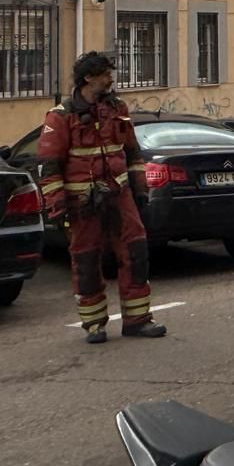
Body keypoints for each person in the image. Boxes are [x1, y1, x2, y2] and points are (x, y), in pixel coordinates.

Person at [39, 51, 167, 343]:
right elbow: (49, 166)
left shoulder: (117, 108)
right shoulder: (61, 116)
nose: (111, 79)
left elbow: (132, 153)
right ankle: (94, 324)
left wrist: (140, 190)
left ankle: (138, 320)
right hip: (82, 203)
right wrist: (57, 206)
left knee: (135, 253)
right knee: (86, 260)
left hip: (119, 196)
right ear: (88, 78)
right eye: (106, 74)